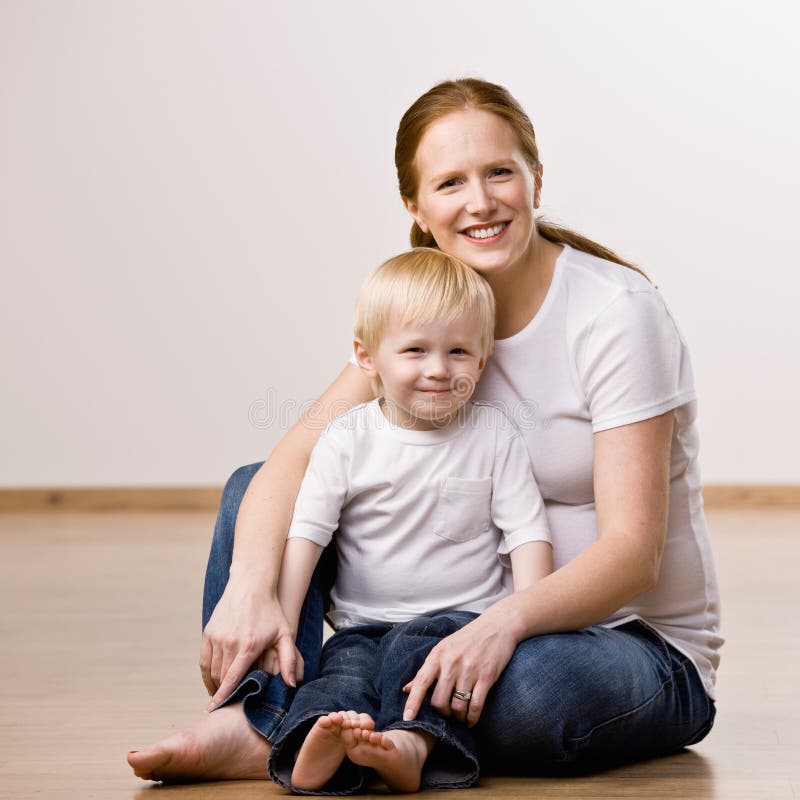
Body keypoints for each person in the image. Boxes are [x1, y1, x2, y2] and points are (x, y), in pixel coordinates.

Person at [128, 77, 721, 784]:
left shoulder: (616, 315)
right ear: (415, 205)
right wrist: (252, 585)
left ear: (536, 178)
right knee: (254, 490)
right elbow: (288, 467)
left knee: (522, 689)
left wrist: (498, 627)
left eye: (500, 171)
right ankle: (264, 714)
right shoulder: (427, 315)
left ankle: (327, 723)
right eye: (450, 183)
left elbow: (632, 554)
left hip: (626, 645)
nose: (480, 201)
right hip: (439, 627)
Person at [268, 249, 552, 794]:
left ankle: (411, 746)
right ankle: (315, 747)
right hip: (360, 624)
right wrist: (284, 613)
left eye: (459, 351)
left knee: (423, 671)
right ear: (367, 355)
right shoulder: (347, 437)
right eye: (416, 350)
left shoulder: (494, 436)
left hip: (456, 625)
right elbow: (308, 531)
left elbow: (527, 533)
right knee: (340, 676)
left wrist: (528, 621)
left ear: (484, 356)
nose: (439, 369)